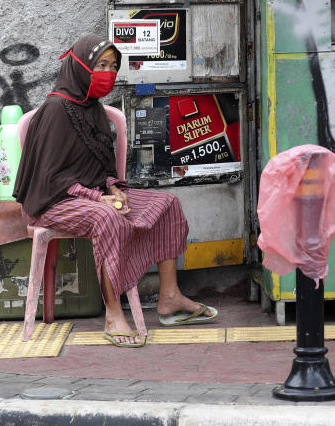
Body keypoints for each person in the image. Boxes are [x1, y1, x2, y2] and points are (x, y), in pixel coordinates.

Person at [13, 35, 217, 347]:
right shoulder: (56, 109)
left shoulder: (92, 108)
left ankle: (170, 296)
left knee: (167, 202)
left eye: (113, 66)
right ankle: (112, 314)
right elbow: (51, 177)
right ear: (80, 67)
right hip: (53, 201)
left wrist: (112, 186)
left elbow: (101, 165)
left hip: (92, 194)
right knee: (106, 218)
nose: (108, 73)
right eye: (100, 65)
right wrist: (100, 198)